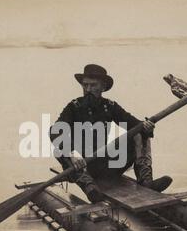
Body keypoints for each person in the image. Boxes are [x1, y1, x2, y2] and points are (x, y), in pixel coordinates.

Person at [49, 64, 172, 203]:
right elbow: (55, 131)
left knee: (140, 133)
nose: (88, 90)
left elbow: (134, 123)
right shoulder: (74, 107)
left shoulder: (110, 106)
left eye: (93, 85)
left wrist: (146, 127)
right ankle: (90, 188)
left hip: (106, 165)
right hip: (81, 166)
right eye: (85, 85)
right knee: (59, 150)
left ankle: (145, 181)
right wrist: (72, 153)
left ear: (103, 86)